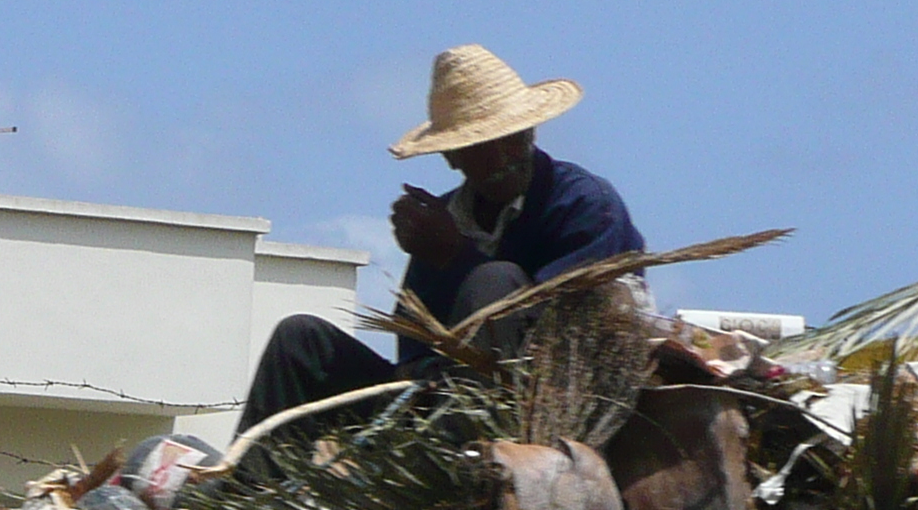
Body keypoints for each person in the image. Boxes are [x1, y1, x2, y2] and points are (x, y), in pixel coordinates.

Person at [236, 44, 644, 437]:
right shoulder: (444, 220)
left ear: (533, 131)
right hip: (433, 406)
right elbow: (413, 343)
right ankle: (244, 492)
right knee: (301, 340)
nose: (504, 157)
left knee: (494, 281)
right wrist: (421, 370)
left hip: (544, 405)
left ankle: (472, 447)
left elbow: (565, 331)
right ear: (452, 156)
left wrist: (457, 257)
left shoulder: (584, 204)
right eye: (484, 146)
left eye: (514, 138)